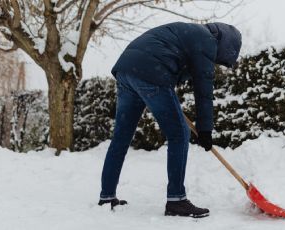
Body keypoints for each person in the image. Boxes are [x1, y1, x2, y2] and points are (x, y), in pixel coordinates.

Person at [98, 22, 242, 218]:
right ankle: (176, 200)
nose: (217, 63)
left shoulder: (189, 33)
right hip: (151, 71)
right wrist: (205, 129)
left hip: (127, 70)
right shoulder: (207, 41)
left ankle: (107, 196)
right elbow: (203, 90)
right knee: (179, 133)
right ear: (225, 45)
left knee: (121, 137)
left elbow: (174, 67)